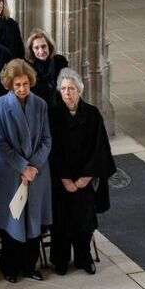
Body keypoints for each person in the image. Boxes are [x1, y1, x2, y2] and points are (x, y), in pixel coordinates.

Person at [0, 59, 53, 284]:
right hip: (11, 172)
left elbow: (46, 139)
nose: (22, 89)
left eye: (25, 84)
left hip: (37, 172)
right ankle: (9, 266)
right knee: (12, 220)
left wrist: (33, 166)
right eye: (18, 85)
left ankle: (30, 266)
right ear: (10, 85)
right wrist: (23, 166)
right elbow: (0, 143)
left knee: (34, 220)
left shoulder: (40, 105)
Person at [49, 69, 116, 276]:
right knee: (61, 223)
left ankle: (83, 258)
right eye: (63, 89)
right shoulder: (53, 115)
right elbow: (50, 149)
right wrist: (65, 178)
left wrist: (87, 177)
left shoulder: (92, 114)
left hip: (85, 180)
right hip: (62, 181)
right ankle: (60, 260)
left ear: (79, 90)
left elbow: (101, 148)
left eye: (71, 89)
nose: (67, 93)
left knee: (84, 222)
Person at [25, 28, 69, 106]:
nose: (41, 51)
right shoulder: (29, 69)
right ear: (32, 50)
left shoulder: (60, 62)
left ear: (49, 46)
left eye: (43, 46)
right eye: (36, 48)